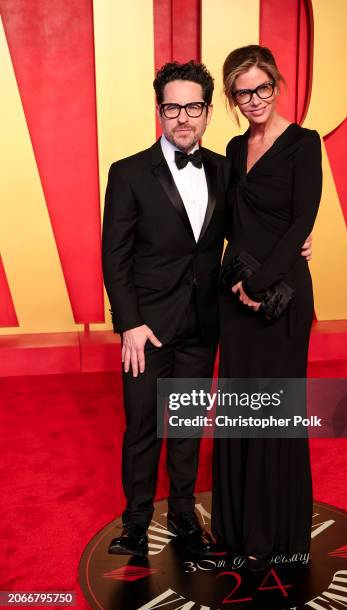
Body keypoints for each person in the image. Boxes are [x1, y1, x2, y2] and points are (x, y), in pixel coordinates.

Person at [102, 59, 312, 558]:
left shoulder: (225, 166)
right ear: (159, 111)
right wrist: (129, 322)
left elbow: (262, 220)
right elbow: (114, 256)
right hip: (147, 325)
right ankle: (135, 521)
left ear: (209, 111)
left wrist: (300, 243)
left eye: (192, 106)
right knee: (143, 424)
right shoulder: (127, 172)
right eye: (172, 107)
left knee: (188, 424)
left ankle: (180, 513)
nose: (182, 117)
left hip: (205, 320)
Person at [211, 45, 322, 571]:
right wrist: (240, 280)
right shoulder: (234, 149)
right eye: (242, 91)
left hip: (280, 296)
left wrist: (261, 281)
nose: (253, 99)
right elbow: (231, 223)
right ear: (232, 96)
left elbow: (302, 222)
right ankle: (235, 527)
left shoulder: (304, 143)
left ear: (276, 85)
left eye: (262, 88)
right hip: (237, 294)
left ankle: (272, 534)